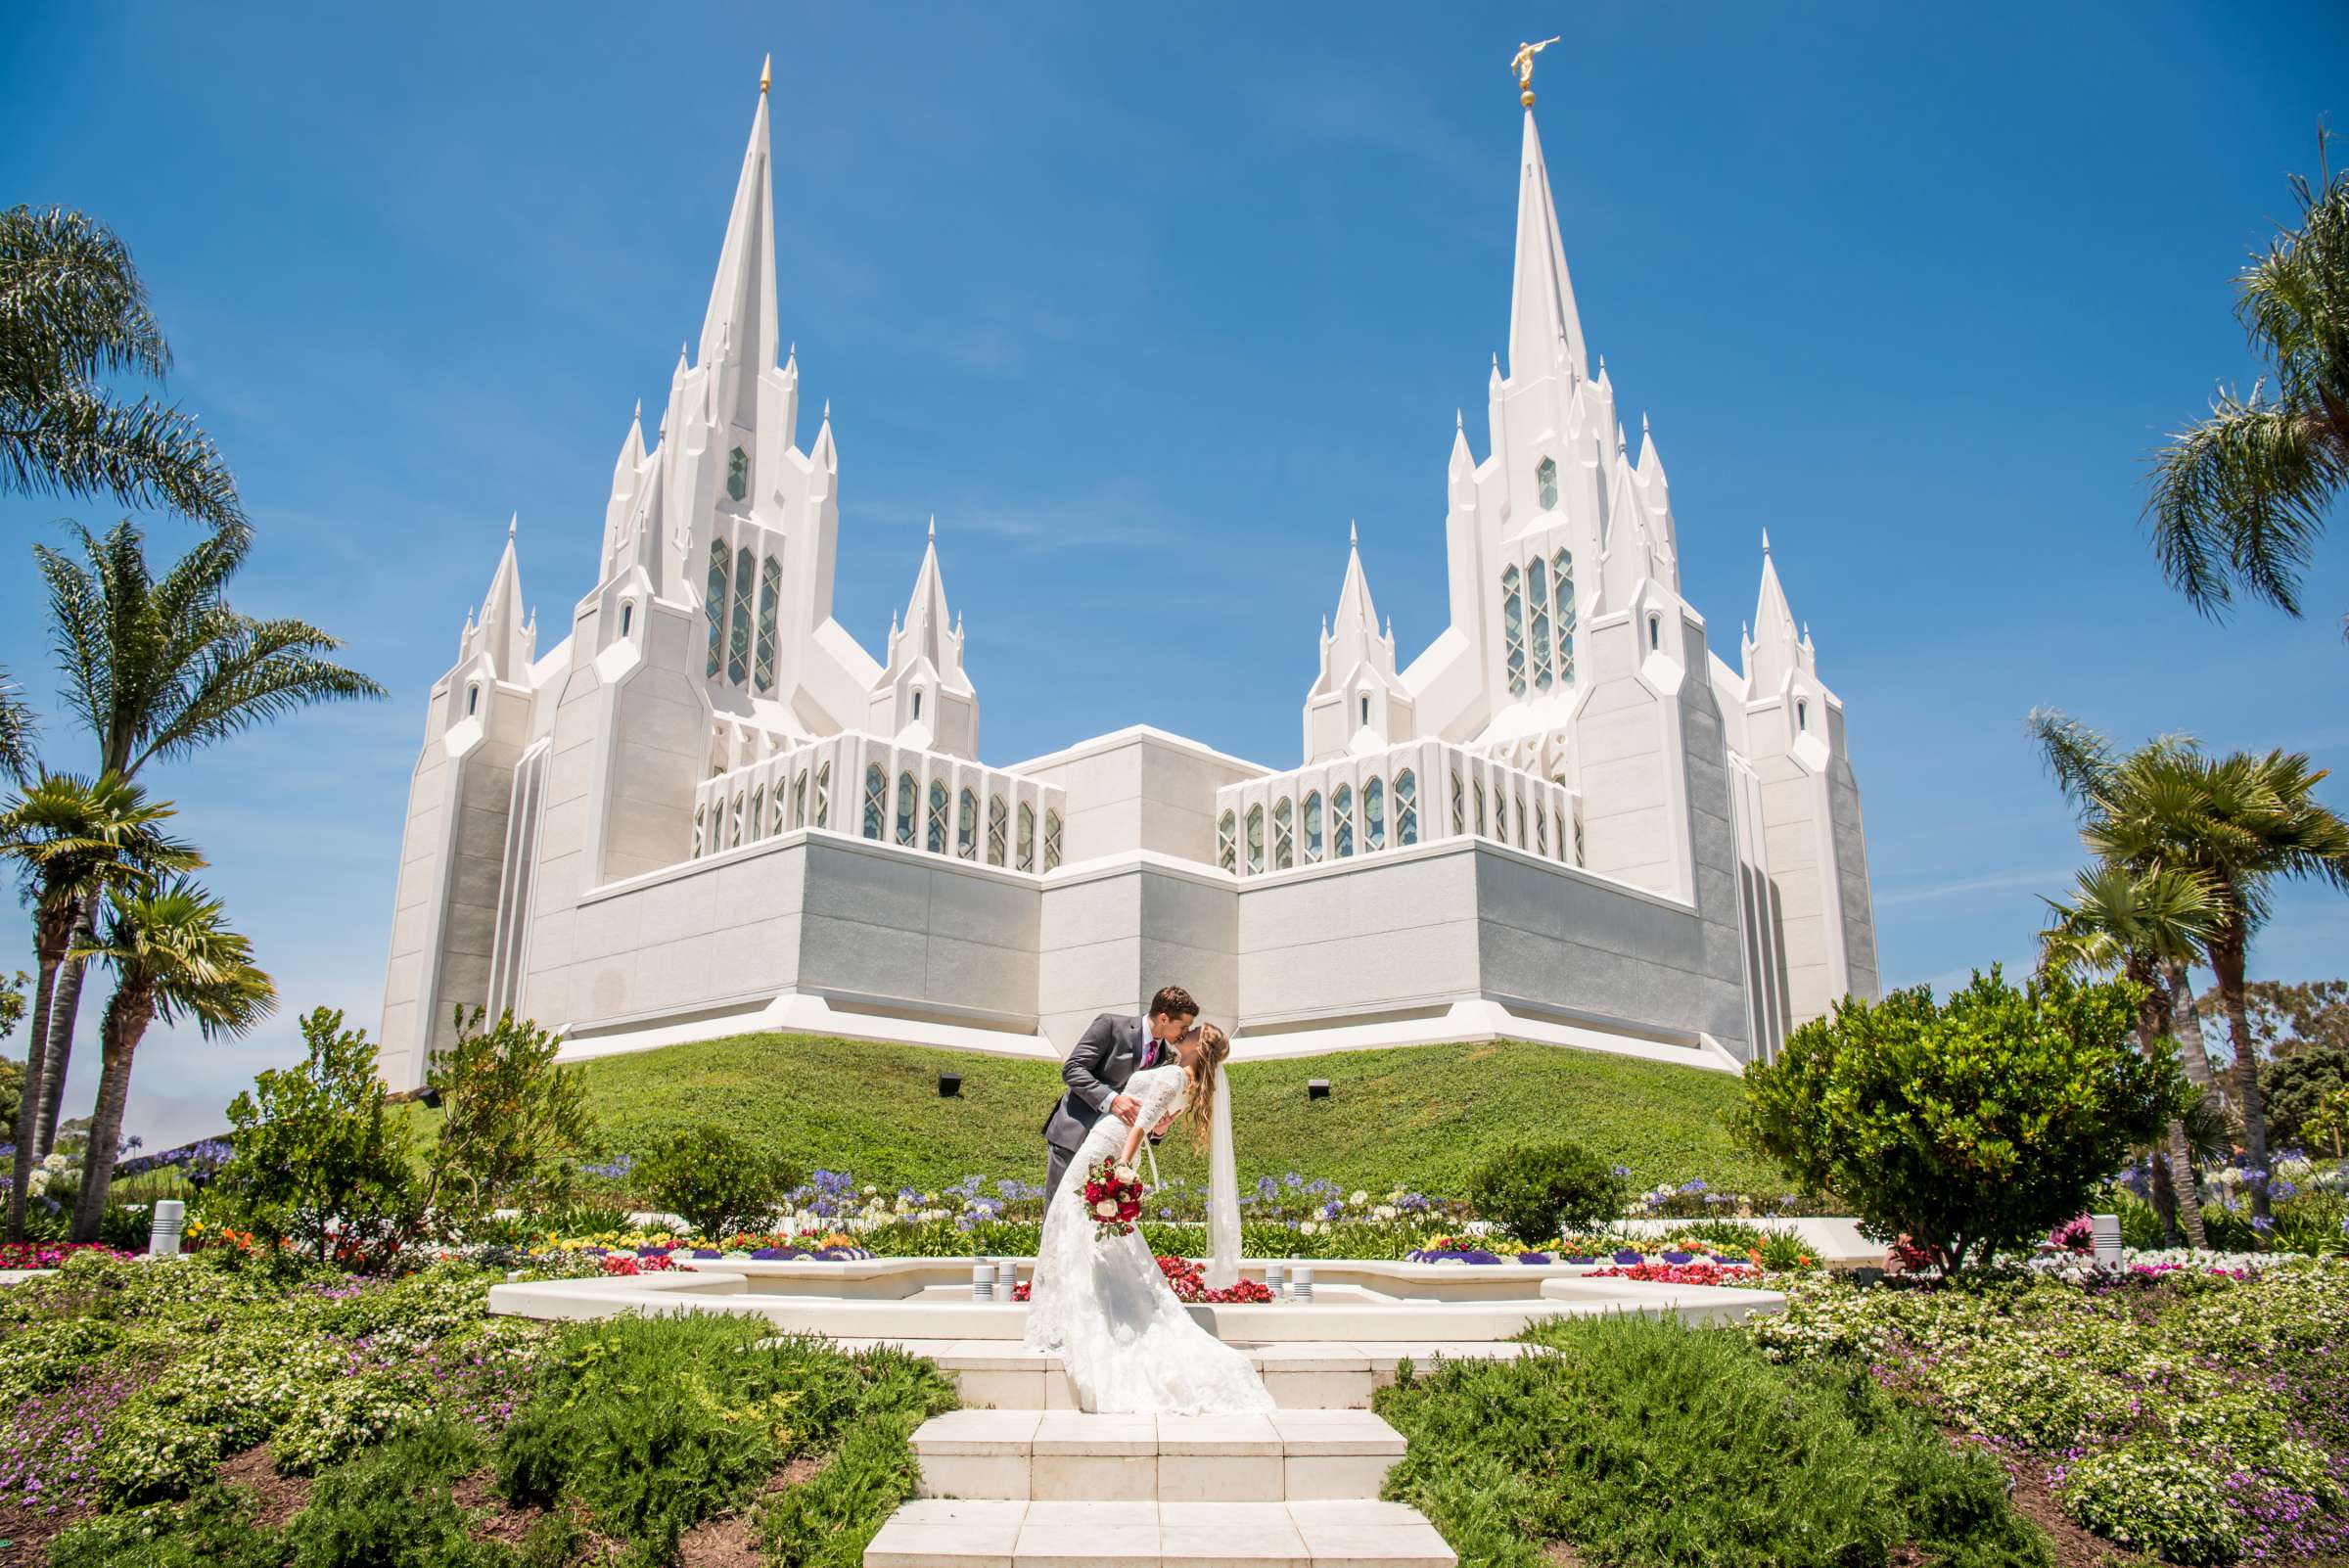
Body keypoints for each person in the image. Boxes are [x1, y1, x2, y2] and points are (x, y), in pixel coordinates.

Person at [1022, 1023, 1270, 1414]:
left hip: (1107, 1146)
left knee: (1068, 1218)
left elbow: (1140, 1125)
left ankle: (1075, 1318)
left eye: (1192, 1031)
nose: (1184, 1032)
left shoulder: (1174, 1074)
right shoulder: (1189, 1086)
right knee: (1090, 1231)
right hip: (1114, 1145)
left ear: (1196, 1045)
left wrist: (1119, 1170)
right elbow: (1158, 1125)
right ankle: (1082, 1311)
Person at [1041, 985, 1198, 1201]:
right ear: (1164, 1018)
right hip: (1076, 1134)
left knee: (1093, 1225)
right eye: (1184, 1026)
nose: (1186, 1033)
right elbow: (1073, 1069)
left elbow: (1145, 1107)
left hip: (1113, 1149)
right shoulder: (1111, 1025)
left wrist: (1157, 1131)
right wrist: (1112, 1100)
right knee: (1060, 1214)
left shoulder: (1166, 1057)